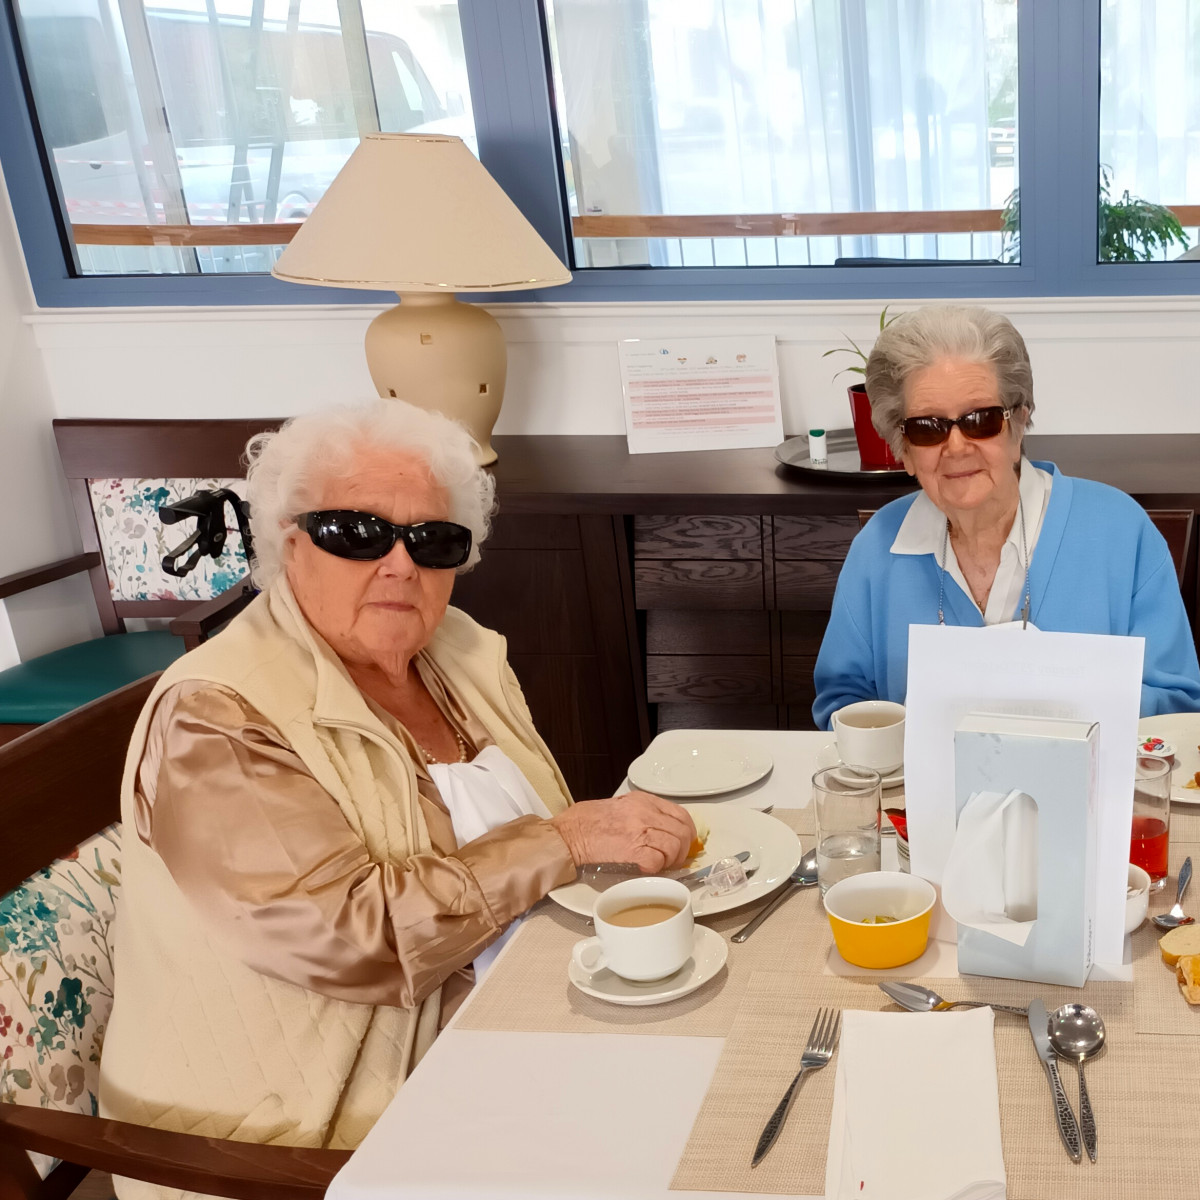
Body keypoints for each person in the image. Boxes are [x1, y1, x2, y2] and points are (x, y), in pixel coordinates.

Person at [99, 400, 696, 1188]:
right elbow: (354, 938)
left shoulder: (455, 652)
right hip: (302, 1130)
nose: (401, 565)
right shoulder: (215, 716)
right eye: (356, 532)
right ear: (288, 542)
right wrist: (566, 840)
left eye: (433, 540)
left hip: (506, 1021)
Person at [813, 304, 1200, 728]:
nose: (957, 447)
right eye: (928, 427)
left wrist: (1046, 713)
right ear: (903, 449)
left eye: (980, 420)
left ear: (1018, 424)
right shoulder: (876, 548)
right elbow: (841, 703)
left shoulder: (1122, 532)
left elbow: (1178, 705)